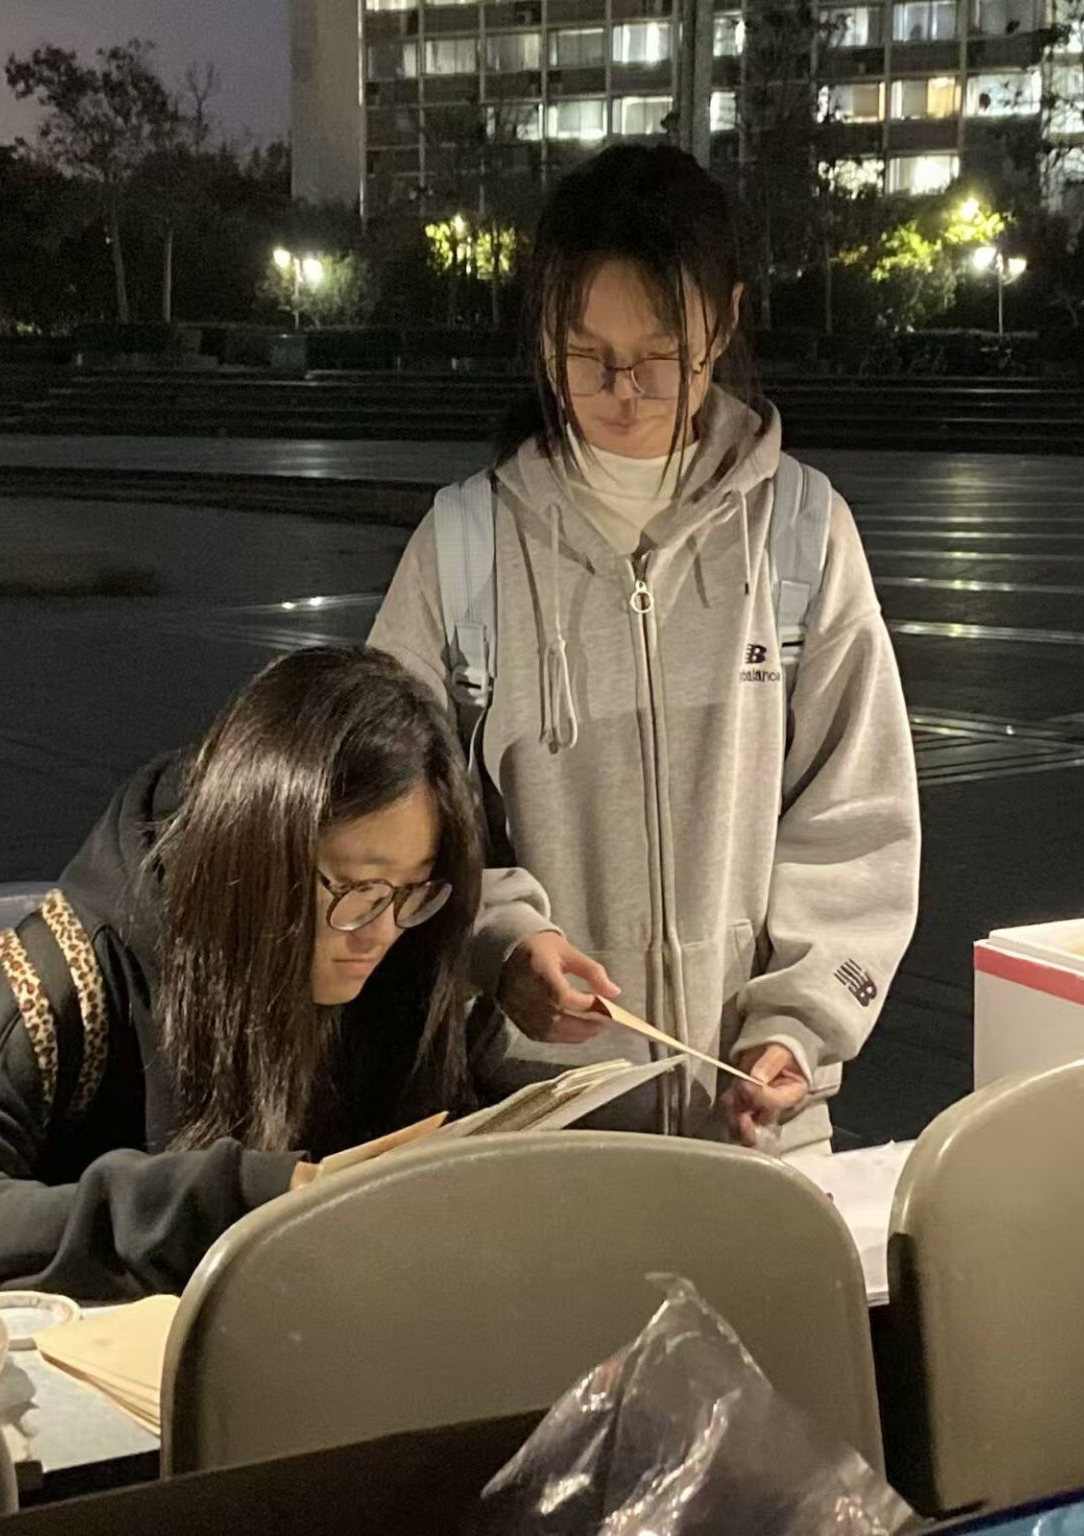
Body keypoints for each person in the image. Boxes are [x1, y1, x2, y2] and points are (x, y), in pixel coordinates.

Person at [368, 144, 919, 1156]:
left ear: (724, 324)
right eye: (585, 356)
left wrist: (798, 1028)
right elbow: (388, 822)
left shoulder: (800, 534)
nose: (621, 392)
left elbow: (857, 817)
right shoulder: (463, 548)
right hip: (534, 1143)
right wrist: (502, 943)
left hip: (758, 1138)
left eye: (660, 358)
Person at [0, 648, 483, 1298]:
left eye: (409, 888)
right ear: (258, 855)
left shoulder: (410, 948)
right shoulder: (67, 972)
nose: (380, 931)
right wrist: (226, 1202)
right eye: (356, 886)